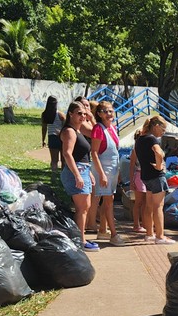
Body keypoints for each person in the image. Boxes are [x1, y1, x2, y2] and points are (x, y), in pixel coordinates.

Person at [59, 101, 103, 252]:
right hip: (75, 171)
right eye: (79, 113)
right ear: (70, 114)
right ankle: (81, 241)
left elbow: (96, 135)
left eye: (84, 113)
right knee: (82, 208)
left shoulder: (78, 130)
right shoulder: (69, 131)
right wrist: (77, 175)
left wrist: (88, 172)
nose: (82, 116)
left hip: (83, 170)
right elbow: (67, 154)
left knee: (85, 207)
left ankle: (80, 238)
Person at [90, 101, 124, 246]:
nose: (109, 114)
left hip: (113, 170)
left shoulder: (113, 128)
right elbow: (94, 153)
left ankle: (103, 230)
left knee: (108, 201)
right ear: (99, 114)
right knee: (109, 202)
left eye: (111, 111)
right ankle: (114, 235)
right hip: (103, 170)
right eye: (105, 111)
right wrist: (102, 174)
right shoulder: (98, 129)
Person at [136, 115, 174, 244]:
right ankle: (160, 236)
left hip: (145, 176)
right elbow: (158, 153)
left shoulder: (140, 138)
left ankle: (149, 233)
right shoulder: (152, 139)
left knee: (149, 205)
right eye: (163, 129)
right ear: (156, 126)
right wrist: (159, 166)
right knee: (159, 206)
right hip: (156, 176)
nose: (163, 132)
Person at [128, 127, 148, 234]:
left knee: (145, 202)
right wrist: (131, 181)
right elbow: (131, 166)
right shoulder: (135, 150)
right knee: (138, 202)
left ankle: (145, 223)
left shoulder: (146, 148)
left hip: (145, 176)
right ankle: (136, 224)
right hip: (139, 176)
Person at [40, 96, 64, 171]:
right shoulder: (60, 114)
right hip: (61, 137)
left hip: (51, 138)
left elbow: (44, 128)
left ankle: (53, 177)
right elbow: (65, 126)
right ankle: (63, 177)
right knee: (64, 160)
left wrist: (43, 140)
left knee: (54, 160)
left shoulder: (44, 114)